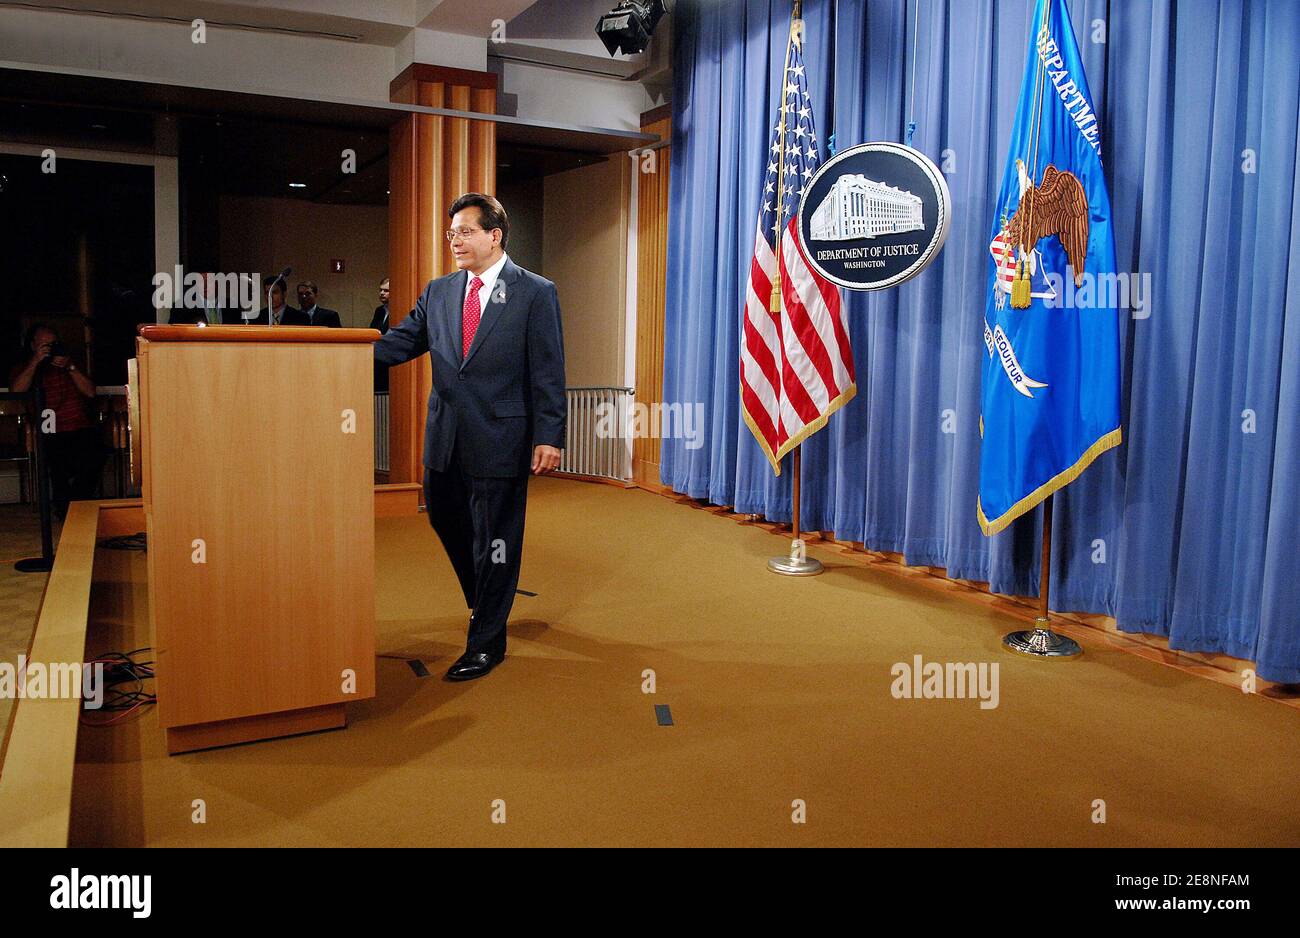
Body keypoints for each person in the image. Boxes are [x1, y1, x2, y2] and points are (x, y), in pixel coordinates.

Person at [374, 193, 566, 681]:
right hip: (445, 437)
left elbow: (548, 369)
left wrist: (550, 434)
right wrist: (338, 356)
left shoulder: (535, 292)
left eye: (464, 231)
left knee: (496, 539)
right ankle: (486, 604)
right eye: (451, 232)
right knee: (447, 521)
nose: (454, 240)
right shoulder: (438, 292)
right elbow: (400, 343)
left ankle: (486, 642)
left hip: (502, 436)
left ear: (494, 235)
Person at [8, 324, 104, 519]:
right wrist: (35, 362)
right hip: (49, 429)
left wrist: (70, 367)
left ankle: (75, 504)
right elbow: (16, 392)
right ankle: (68, 508)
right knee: (55, 459)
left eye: (53, 345)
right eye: (45, 345)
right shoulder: (24, 368)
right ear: (33, 345)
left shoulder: (68, 365)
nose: (49, 350)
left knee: (95, 453)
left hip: (80, 427)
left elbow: (90, 392)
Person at [369, 278, 390, 392]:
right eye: (381, 290)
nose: (382, 293)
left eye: (386, 291)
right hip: (377, 357)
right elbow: (372, 330)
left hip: (389, 357)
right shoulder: (379, 311)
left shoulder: (400, 310)